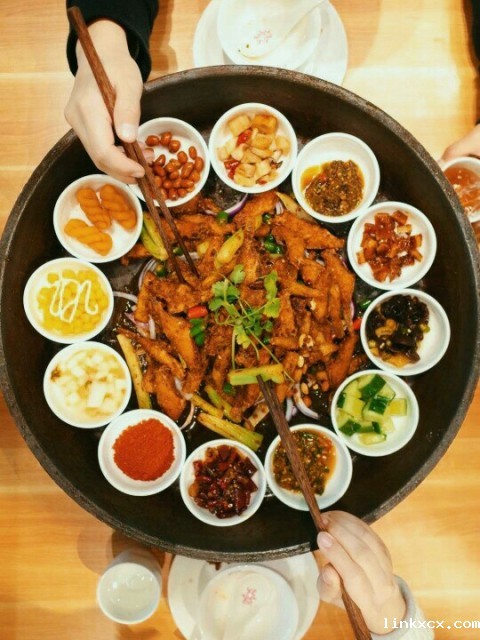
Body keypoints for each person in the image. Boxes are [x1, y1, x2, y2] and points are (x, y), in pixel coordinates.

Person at [65, 4, 435, 637]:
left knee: (279, 319)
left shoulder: (295, 271)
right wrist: (107, 28)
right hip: (215, 311)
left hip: (265, 332)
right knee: (189, 321)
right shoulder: (205, 270)